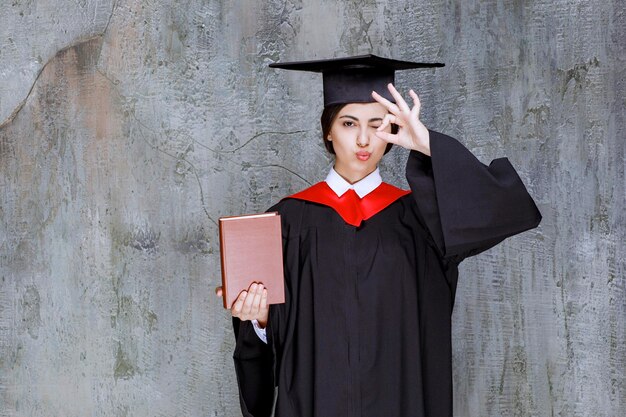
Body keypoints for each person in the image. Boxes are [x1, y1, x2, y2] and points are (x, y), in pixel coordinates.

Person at [216, 55, 541, 417]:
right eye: (349, 123)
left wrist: (426, 143)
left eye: (377, 124)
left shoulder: (422, 220)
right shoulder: (287, 221)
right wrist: (258, 322)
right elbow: (274, 347)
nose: (363, 139)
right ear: (328, 130)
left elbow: (510, 210)